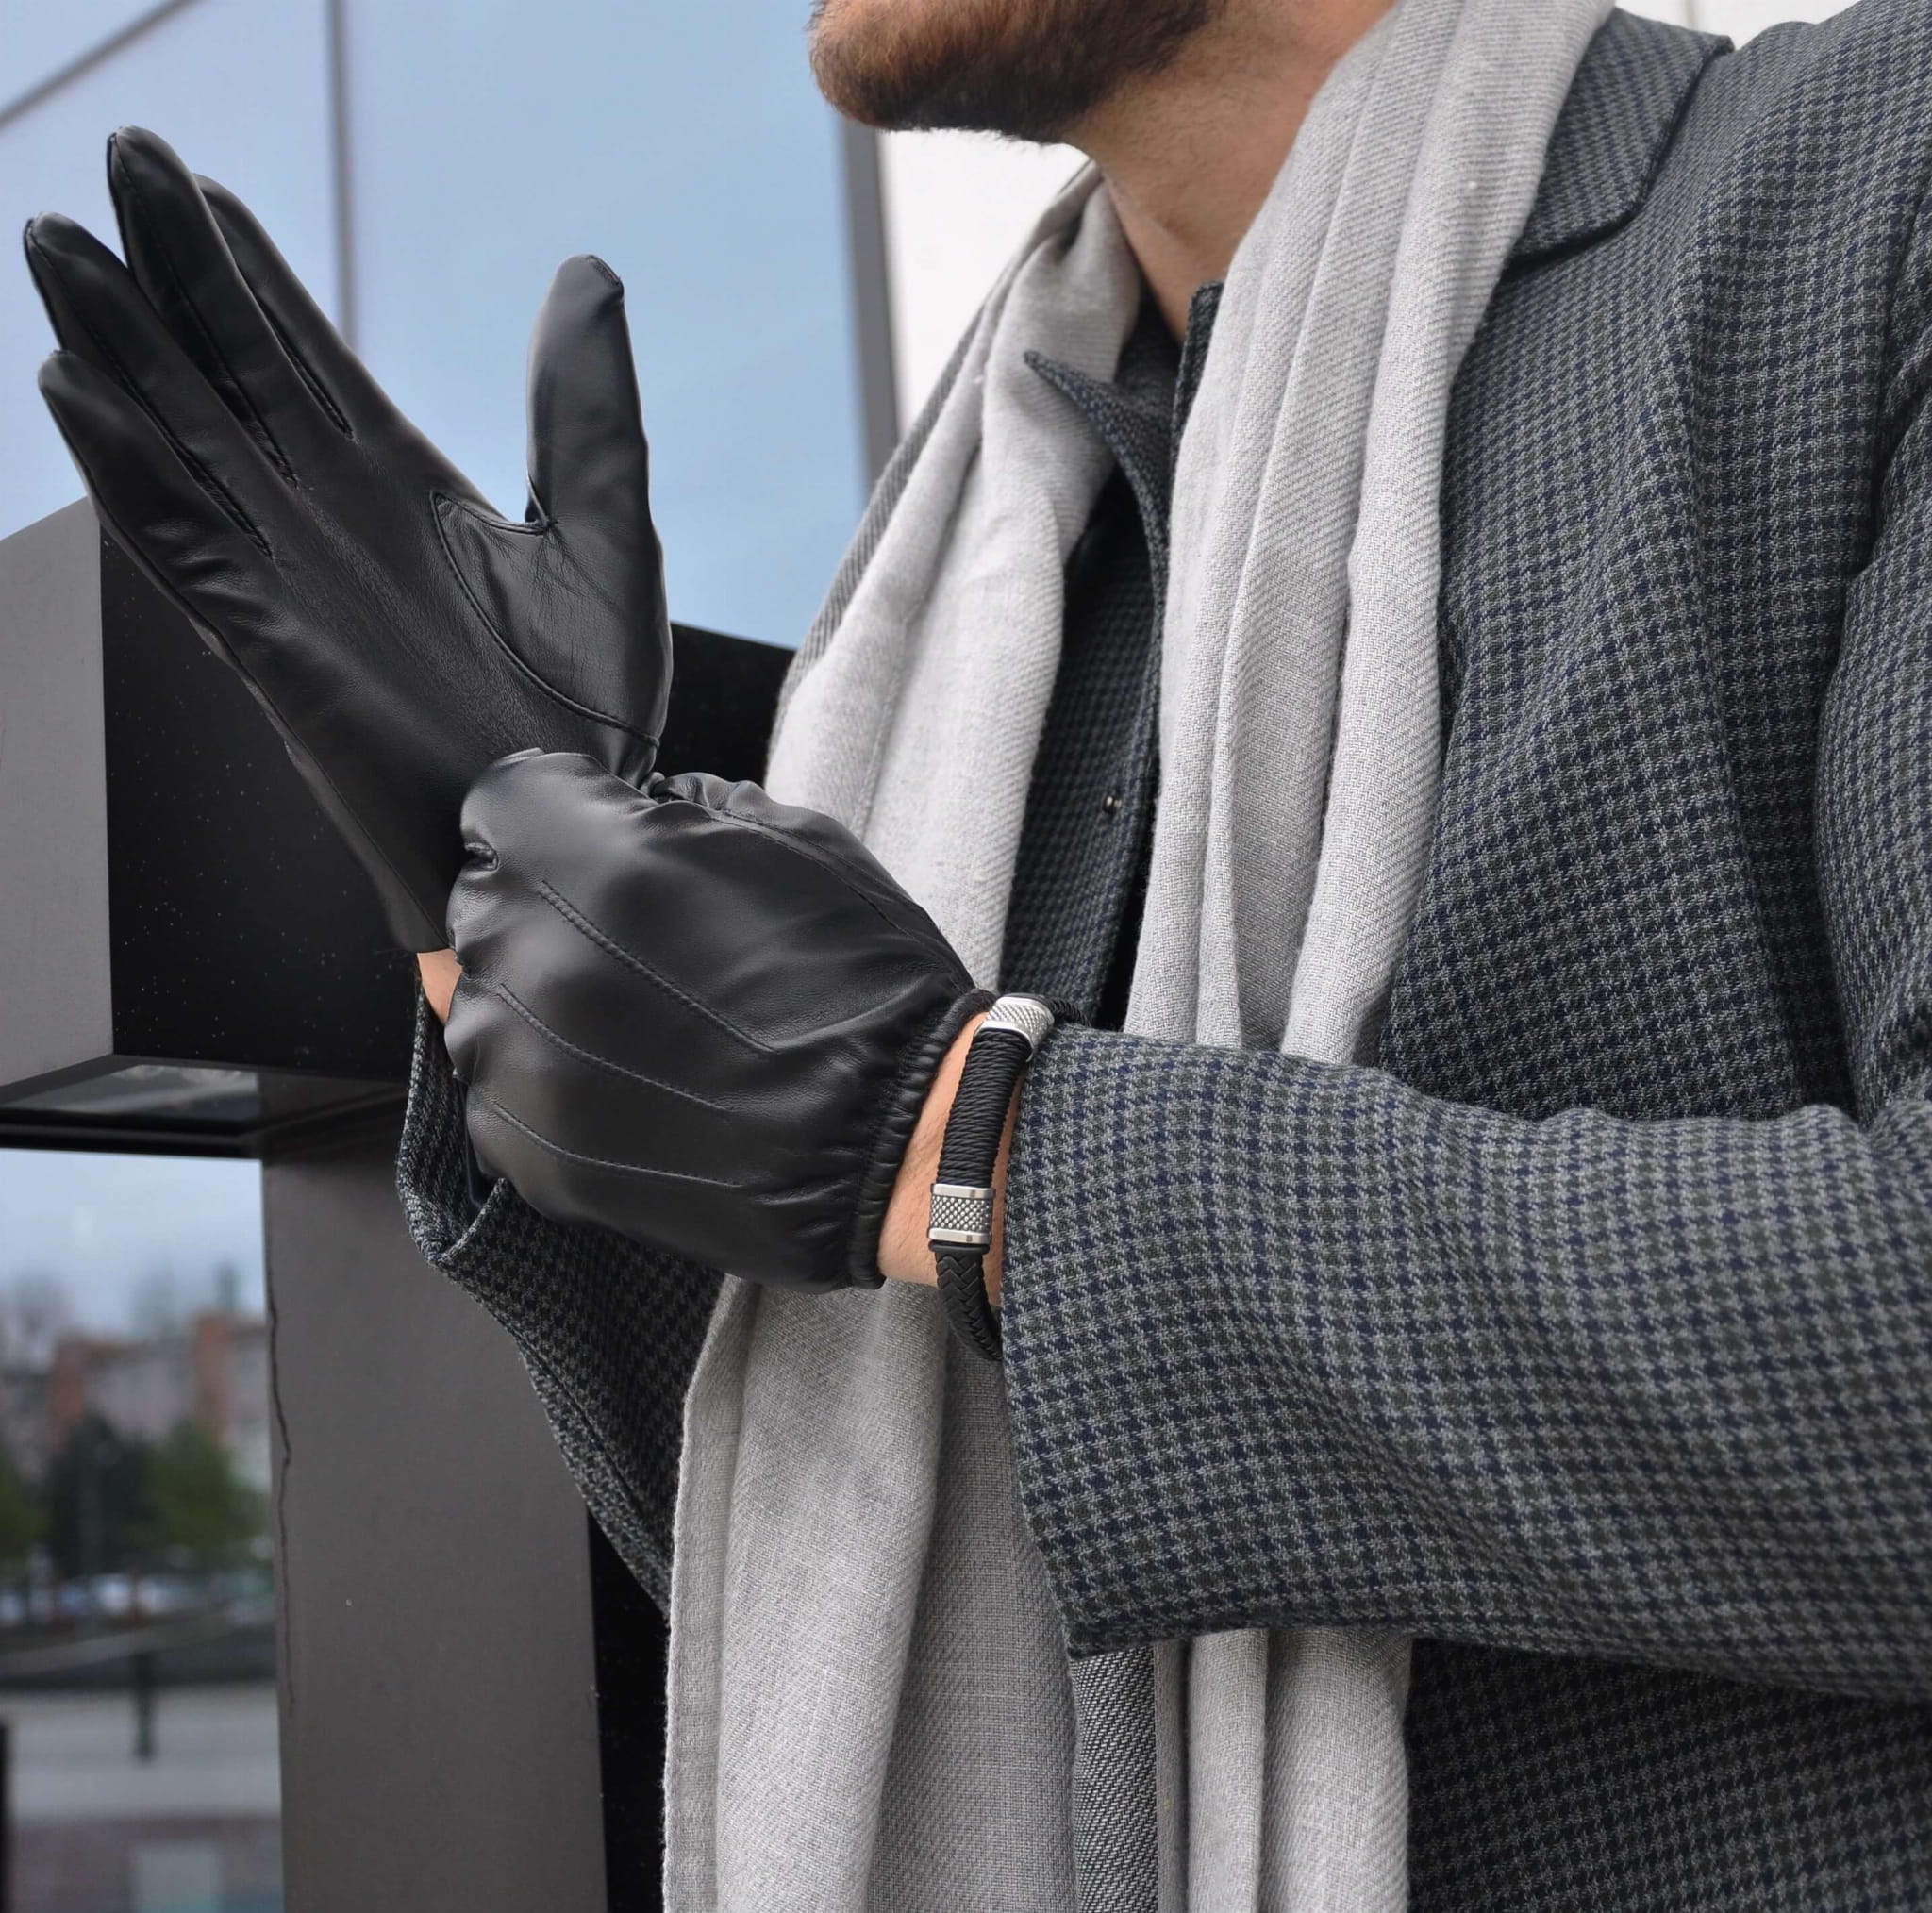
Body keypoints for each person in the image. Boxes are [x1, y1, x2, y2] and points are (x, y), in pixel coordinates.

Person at [24, 0, 1932, 1904]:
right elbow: (819, 1577)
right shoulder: (976, 587)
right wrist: (516, 927)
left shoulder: (1865, 187)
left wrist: (978, 1150)